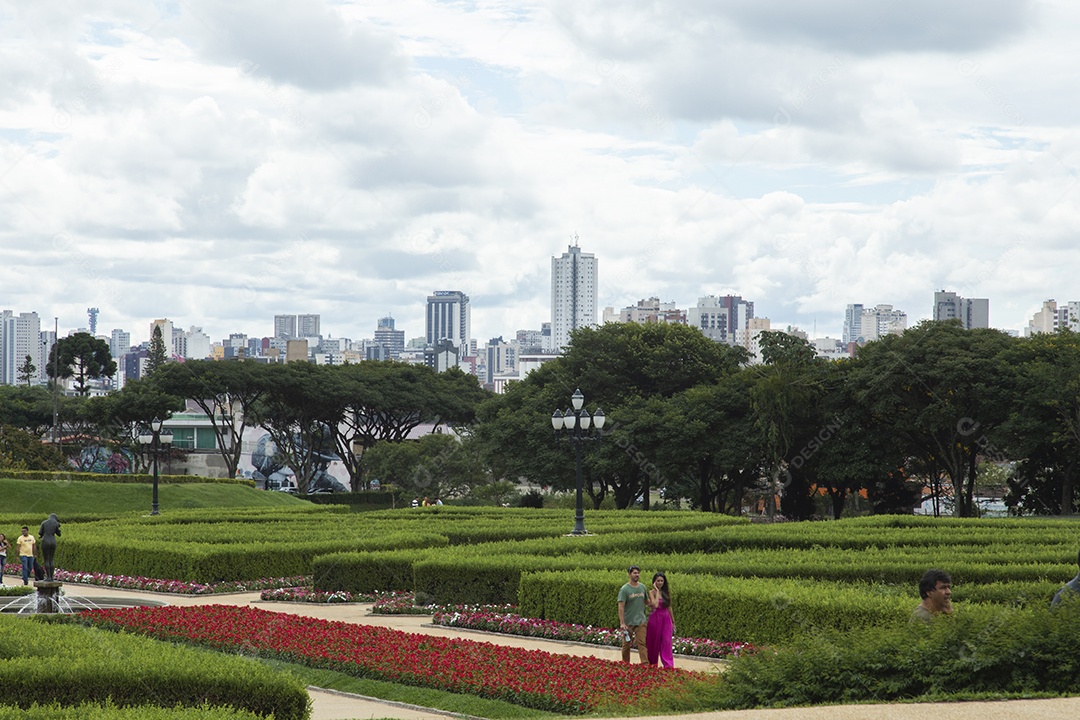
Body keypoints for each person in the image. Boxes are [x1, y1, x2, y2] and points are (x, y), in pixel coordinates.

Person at [617, 565, 648, 663]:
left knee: (642, 643)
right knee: (626, 644)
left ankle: (645, 664)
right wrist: (622, 622)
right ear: (629, 574)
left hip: (641, 621)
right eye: (634, 573)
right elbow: (621, 607)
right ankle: (625, 663)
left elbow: (647, 601)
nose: (637, 575)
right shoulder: (624, 589)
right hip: (628, 622)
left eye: (638, 573)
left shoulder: (642, 587)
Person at [646, 571, 675, 668]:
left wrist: (673, 622)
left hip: (666, 618)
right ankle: (652, 664)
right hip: (655, 618)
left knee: (666, 641)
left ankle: (668, 665)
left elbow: (669, 607)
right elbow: (655, 605)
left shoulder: (666, 592)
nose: (660, 583)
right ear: (654, 582)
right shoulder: (651, 592)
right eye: (658, 581)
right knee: (654, 642)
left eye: (662, 581)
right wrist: (657, 591)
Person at [39, 513, 61, 582]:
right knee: (51, 559)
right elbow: (59, 534)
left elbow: (40, 532)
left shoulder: (44, 523)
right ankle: (51, 577)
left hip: (45, 541)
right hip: (53, 541)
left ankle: (48, 577)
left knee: (46, 559)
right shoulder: (56, 524)